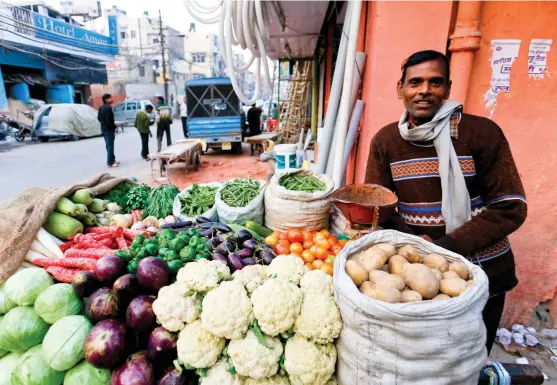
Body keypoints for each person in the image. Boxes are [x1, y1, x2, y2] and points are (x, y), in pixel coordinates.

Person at [365, 50, 527, 354]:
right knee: (426, 361)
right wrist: (418, 245)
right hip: (416, 274)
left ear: (448, 88)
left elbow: (510, 207)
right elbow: (381, 208)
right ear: (400, 89)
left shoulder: (481, 133)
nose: (424, 90)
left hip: (483, 272)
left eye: (435, 82)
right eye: (415, 82)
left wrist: (446, 245)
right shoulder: (386, 141)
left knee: (470, 360)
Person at [97, 93, 119, 168]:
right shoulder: (108, 108)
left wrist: (103, 124)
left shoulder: (101, 107)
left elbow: (99, 118)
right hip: (109, 130)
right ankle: (110, 163)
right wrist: (114, 127)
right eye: (110, 98)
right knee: (110, 146)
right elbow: (109, 121)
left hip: (104, 129)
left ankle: (112, 159)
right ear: (106, 99)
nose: (111, 99)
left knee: (108, 146)